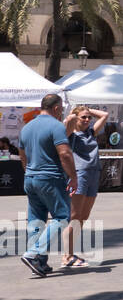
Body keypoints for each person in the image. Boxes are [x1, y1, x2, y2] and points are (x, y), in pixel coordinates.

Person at [18, 93, 77, 277]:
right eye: (61, 110)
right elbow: (65, 154)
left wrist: (29, 171)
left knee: (37, 220)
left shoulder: (27, 128)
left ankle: (40, 262)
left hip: (31, 178)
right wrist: (73, 177)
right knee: (62, 217)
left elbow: (22, 154)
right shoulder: (56, 126)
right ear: (57, 108)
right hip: (50, 178)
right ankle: (33, 253)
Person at [61, 105, 107, 269]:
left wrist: (86, 109)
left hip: (94, 173)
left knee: (83, 216)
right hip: (79, 174)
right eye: (84, 118)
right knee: (74, 216)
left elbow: (104, 115)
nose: (87, 120)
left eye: (89, 118)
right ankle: (67, 255)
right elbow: (67, 123)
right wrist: (74, 115)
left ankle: (70, 252)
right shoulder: (70, 134)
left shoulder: (90, 132)